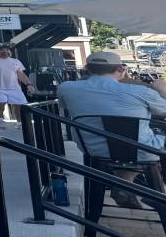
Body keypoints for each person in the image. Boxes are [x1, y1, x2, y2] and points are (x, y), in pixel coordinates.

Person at [57, 51, 166, 209]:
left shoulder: (66, 88)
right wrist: (162, 90)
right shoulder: (142, 92)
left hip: (93, 149)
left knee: (125, 141)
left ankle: (124, 185)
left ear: (87, 69)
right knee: (145, 139)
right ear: (121, 69)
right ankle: (155, 191)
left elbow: (66, 105)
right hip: (140, 150)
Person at [0, 43, 35, 126]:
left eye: (7, 49)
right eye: (1, 49)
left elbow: (21, 74)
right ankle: (0, 120)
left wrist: (29, 84)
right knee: (1, 102)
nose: (5, 51)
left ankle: (19, 122)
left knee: (19, 105)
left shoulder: (16, 61)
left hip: (14, 88)